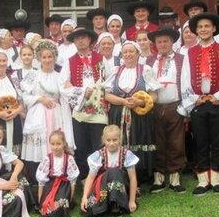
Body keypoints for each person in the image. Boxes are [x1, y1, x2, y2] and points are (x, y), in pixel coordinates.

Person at [180, 13, 219, 196]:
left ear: (213, 29)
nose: (203, 29)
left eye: (207, 26)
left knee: (217, 141)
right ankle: (203, 180)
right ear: (196, 31)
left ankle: (217, 178)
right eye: (200, 27)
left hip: (217, 102)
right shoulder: (190, 52)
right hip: (198, 102)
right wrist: (194, 98)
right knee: (200, 142)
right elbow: (185, 78)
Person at [104, 41, 160, 185]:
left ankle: (141, 176)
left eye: (131, 51)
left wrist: (139, 102)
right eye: (125, 52)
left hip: (140, 115)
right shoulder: (116, 71)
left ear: (138, 53)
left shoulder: (145, 69)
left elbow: (154, 95)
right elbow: (107, 95)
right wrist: (123, 102)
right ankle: (121, 175)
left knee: (139, 140)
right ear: (122, 55)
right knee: (119, 141)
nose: (128, 54)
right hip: (118, 113)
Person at [21, 40, 75, 186]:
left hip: (56, 114)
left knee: (55, 144)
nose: (47, 60)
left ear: (54, 57)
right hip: (37, 115)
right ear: (38, 58)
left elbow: (65, 96)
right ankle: (36, 182)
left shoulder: (59, 76)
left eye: (50, 56)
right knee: (38, 149)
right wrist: (40, 98)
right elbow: (24, 96)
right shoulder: (32, 76)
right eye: (43, 57)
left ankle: (56, 182)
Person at [61, 28, 107, 181]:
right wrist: (81, 92)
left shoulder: (102, 58)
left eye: (83, 38)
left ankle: (100, 179)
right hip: (79, 111)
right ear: (73, 42)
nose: (80, 41)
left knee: (98, 145)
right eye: (77, 38)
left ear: (89, 40)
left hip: (99, 111)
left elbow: (109, 80)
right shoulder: (69, 61)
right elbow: (62, 86)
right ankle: (84, 179)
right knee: (81, 146)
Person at [146, 28, 187, 193]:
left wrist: (185, 106)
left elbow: (186, 81)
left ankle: (175, 176)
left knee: (176, 142)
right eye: (159, 42)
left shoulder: (181, 59)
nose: (162, 44)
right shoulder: (149, 61)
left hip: (174, 105)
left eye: (166, 41)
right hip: (155, 107)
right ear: (155, 44)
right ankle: (159, 177)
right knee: (158, 141)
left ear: (172, 42)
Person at [80, 125, 139, 217]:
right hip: (104, 187)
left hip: (121, 187)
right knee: (91, 207)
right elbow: (90, 178)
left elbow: (132, 178)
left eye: (115, 140)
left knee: (115, 172)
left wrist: (132, 201)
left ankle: (116, 204)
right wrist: (84, 197)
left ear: (120, 139)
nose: (111, 143)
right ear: (104, 140)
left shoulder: (126, 154)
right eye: (108, 140)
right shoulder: (99, 155)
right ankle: (106, 203)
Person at [36, 130, 79, 217]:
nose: (55, 147)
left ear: (63, 144)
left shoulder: (69, 159)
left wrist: (70, 198)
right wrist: (40, 200)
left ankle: (66, 203)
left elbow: (73, 181)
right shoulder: (47, 159)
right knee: (45, 205)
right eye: (53, 144)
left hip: (63, 186)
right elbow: (41, 181)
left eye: (58, 144)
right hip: (50, 185)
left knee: (59, 205)